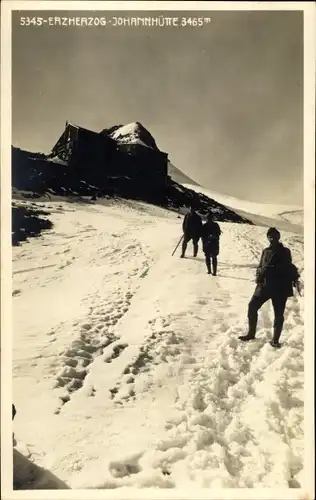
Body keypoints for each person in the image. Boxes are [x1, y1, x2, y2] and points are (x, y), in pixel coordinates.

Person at [239, 227, 300, 348]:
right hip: (264, 286)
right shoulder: (265, 251)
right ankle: (251, 334)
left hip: (279, 287)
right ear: (268, 238)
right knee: (252, 307)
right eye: (270, 236)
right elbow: (261, 265)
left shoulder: (285, 251)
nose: (272, 238)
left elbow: (286, 266)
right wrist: (259, 273)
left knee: (278, 314)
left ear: (279, 237)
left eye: (274, 236)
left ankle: (275, 340)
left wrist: (270, 269)